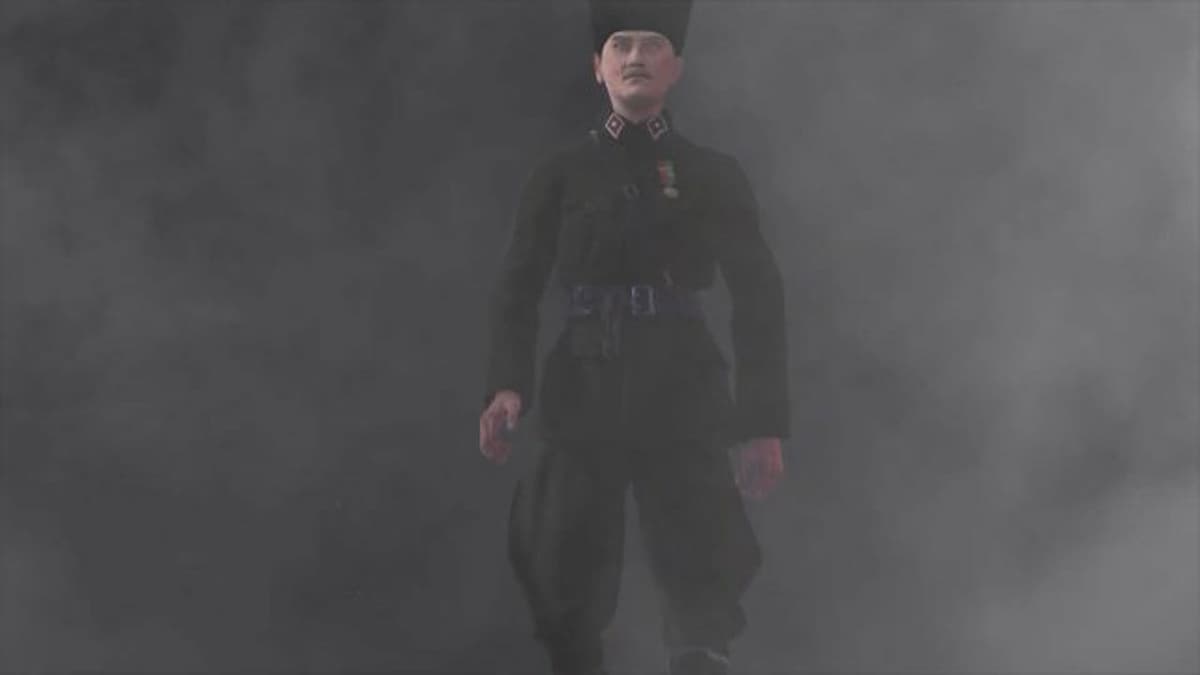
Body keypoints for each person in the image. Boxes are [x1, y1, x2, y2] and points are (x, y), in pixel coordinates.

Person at [478, 1, 789, 673]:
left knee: (701, 560)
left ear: (676, 67)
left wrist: (761, 423)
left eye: (653, 44)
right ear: (598, 66)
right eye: (621, 45)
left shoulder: (711, 174)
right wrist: (507, 386)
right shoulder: (560, 175)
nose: (636, 57)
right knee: (562, 558)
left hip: (681, 383)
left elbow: (759, 297)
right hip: (585, 380)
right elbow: (517, 286)